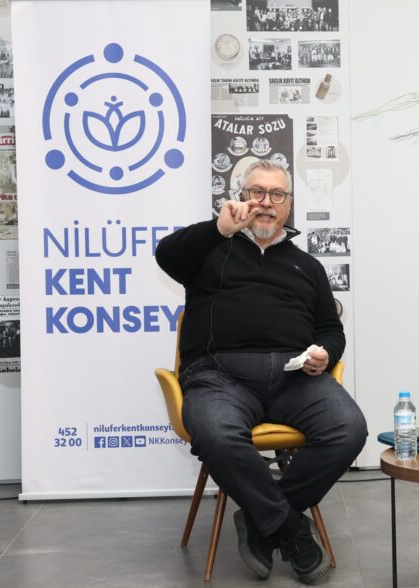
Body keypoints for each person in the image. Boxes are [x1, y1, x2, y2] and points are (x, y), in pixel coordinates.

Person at [155, 159, 368, 584]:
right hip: (219, 377)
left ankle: (259, 520)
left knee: (348, 429)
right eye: (257, 192)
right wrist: (219, 229)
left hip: (296, 378)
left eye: (277, 195)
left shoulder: (307, 266)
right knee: (215, 433)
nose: (266, 203)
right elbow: (166, 255)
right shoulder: (209, 250)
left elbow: (330, 329)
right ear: (241, 198)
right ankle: (289, 528)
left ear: (288, 205)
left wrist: (325, 353)